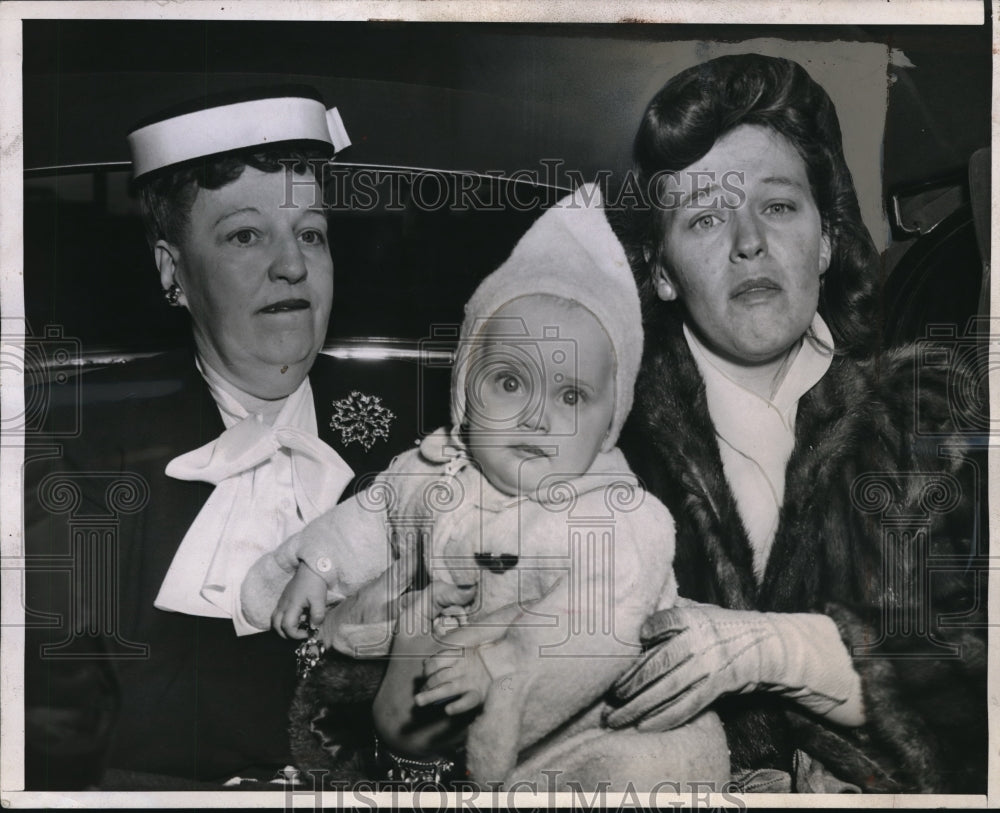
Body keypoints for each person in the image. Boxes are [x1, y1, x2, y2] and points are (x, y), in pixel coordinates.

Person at [23, 86, 446, 789]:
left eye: (310, 233)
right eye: (245, 235)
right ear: (172, 271)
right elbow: (50, 747)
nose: (292, 265)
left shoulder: (426, 436)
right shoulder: (83, 455)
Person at [242, 185, 730, 790]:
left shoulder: (620, 516)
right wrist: (316, 567)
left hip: (597, 717)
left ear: (611, 420)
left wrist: (500, 666)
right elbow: (373, 514)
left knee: (660, 766)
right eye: (508, 382)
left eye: (572, 396)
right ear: (466, 389)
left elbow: (594, 623)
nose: (536, 417)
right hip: (450, 721)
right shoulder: (437, 470)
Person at [610, 54, 986, 793]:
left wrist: (768, 647)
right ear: (660, 271)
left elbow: (970, 682)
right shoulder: (603, 444)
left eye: (778, 206)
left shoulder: (937, 420)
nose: (748, 241)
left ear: (823, 239)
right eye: (707, 217)